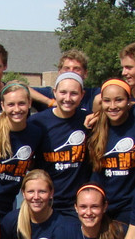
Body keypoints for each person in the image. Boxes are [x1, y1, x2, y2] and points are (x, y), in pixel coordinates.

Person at [87, 78, 135, 223]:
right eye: (107, 101)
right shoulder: (93, 128)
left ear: (129, 100)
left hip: (131, 206)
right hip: (101, 206)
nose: (113, 106)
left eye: (119, 100)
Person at [0, 81, 43, 216]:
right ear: (2, 105)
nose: (17, 109)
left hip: (11, 201)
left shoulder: (36, 133)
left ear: (30, 103)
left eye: (22, 103)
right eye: (11, 104)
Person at [31, 72, 91, 212]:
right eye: (63, 92)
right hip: (45, 202)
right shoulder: (37, 122)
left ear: (82, 95)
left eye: (74, 93)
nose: (67, 98)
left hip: (77, 204)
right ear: (54, 93)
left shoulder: (89, 120)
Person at [0, 170, 65, 239]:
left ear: (51, 193)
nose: (36, 197)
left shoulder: (63, 226)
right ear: (23, 193)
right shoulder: (11, 220)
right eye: (31, 191)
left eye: (42, 192)